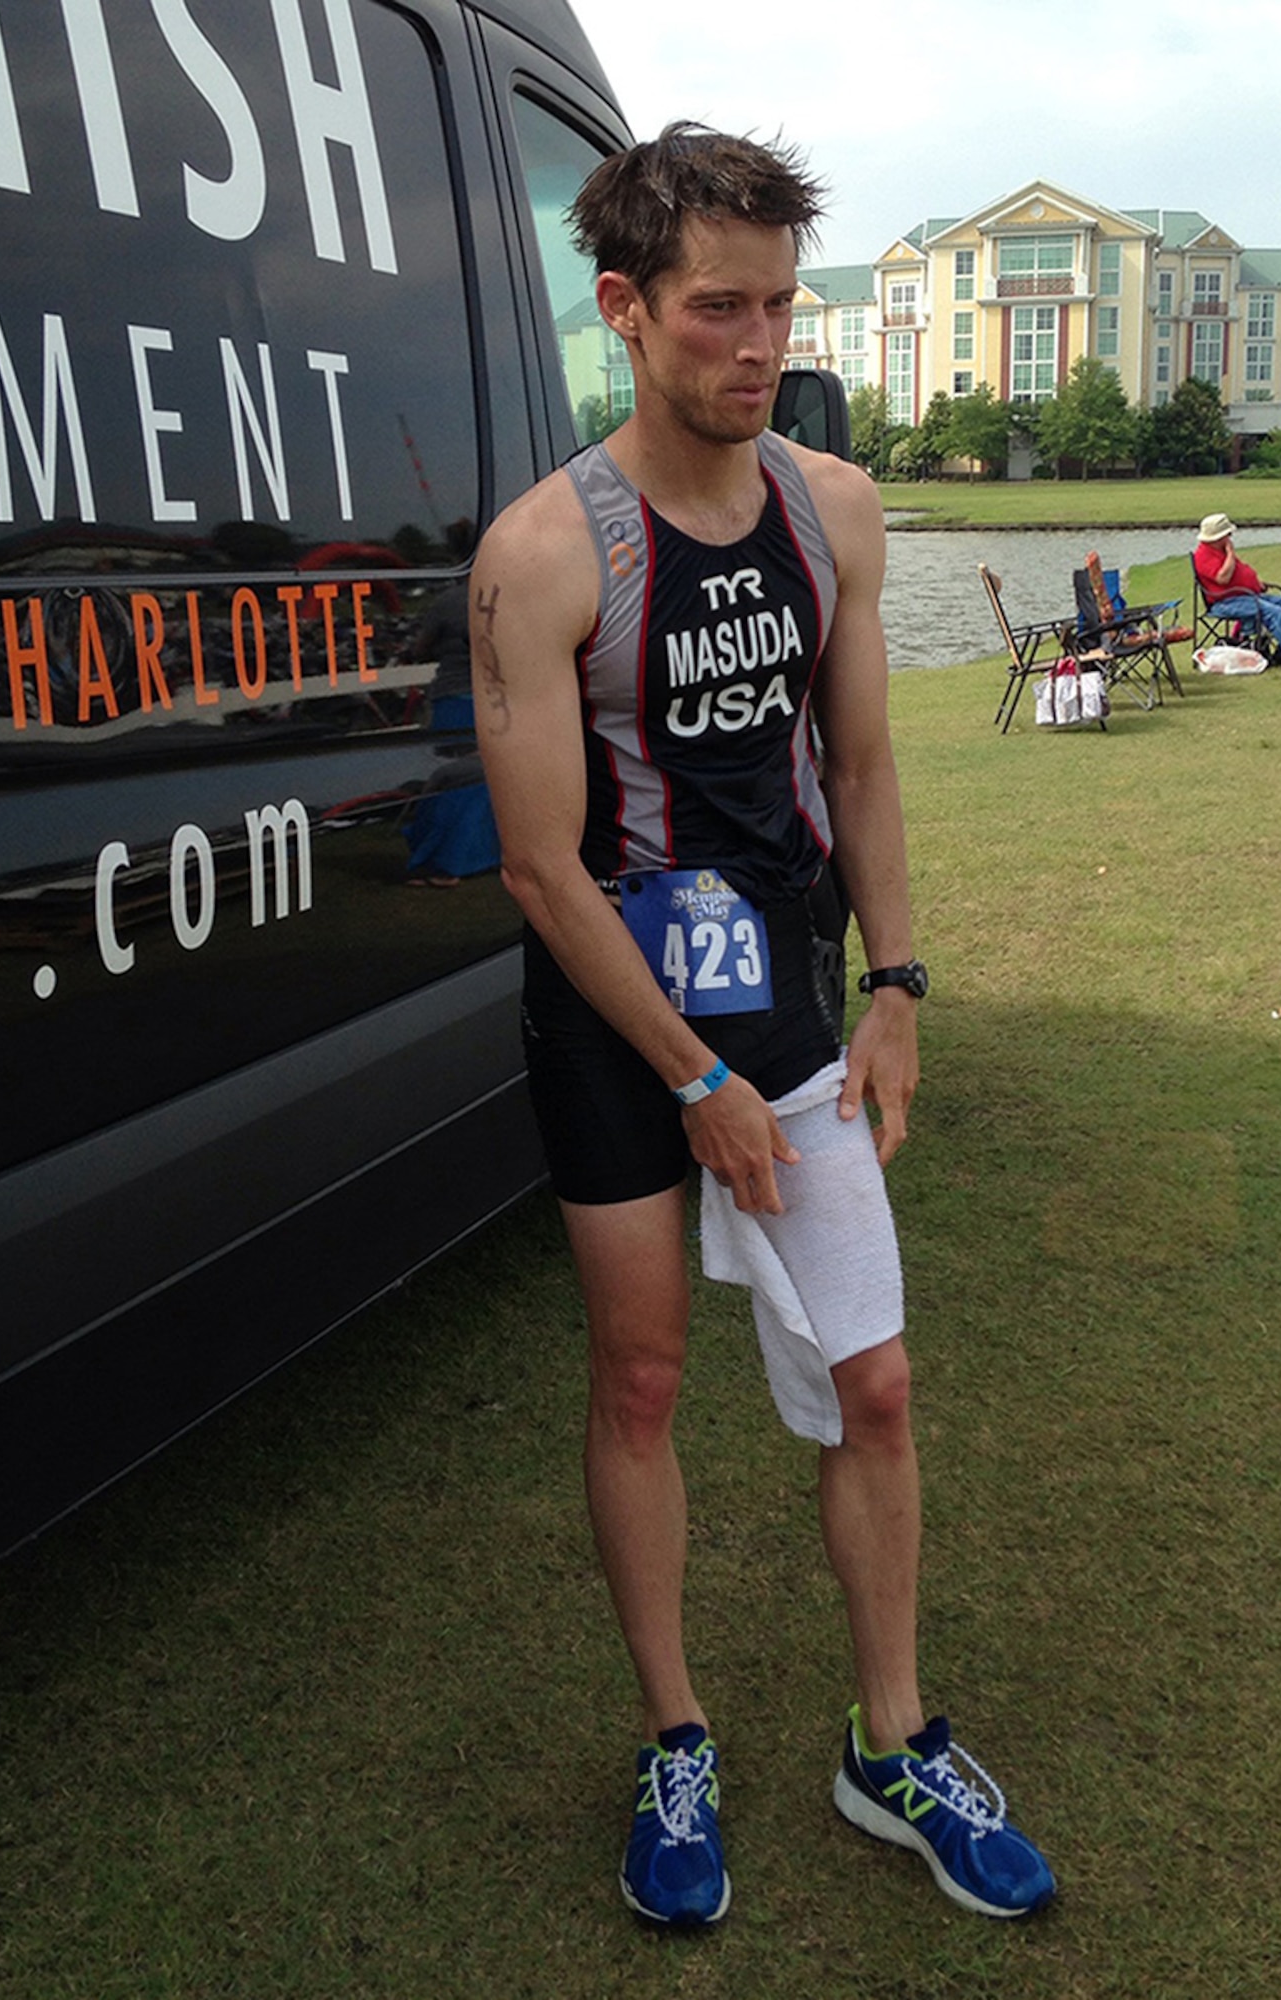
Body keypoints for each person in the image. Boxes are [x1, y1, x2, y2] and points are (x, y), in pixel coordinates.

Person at [470, 123, 1053, 1930]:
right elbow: (544, 874)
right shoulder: (543, 554)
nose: (757, 341)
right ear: (626, 310)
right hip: (614, 1025)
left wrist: (892, 987)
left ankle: (890, 1747)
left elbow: (862, 762)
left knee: (869, 1387)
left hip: (788, 1011)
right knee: (641, 1381)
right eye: (716, 307)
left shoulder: (834, 506)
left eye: (779, 304)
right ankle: (676, 1738)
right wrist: (689, 1076)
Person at [1192, 513, 1281, 668]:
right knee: (1274, 612)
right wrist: (1231, 553)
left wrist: (1256, 583)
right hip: (1225, 602)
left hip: (1247, 595)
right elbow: (1223, 578)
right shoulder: (1203, 555)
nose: (1231, 536)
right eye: (1228, 534)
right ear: (1218, 538)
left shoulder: (1220, 550)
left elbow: (1237, 573)